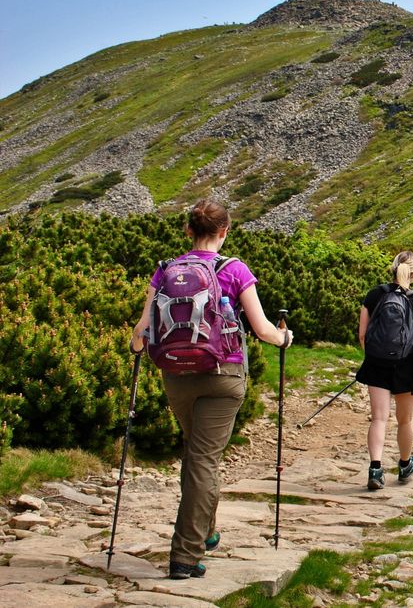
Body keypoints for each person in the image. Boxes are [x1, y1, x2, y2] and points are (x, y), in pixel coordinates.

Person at [131, 199, 292, 581]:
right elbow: (264, 329)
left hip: (176, 376)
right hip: (223, 375)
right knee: (203, 459)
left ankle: (205, 530)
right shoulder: (235, 269)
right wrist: (285, 339)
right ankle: (185, 555)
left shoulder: (166, 271)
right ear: (225, 231)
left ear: (188, 231)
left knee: (197, 455)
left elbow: (141, 333)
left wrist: (139, 349)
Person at [356, 251, 413, 491]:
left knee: (379, 417)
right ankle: (404, 464)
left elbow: (363, 334)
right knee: (405, 420)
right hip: (408, 365)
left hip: (377, 363)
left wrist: (374, 355)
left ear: (392, 269)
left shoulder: (374, 295)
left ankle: (375, 468)